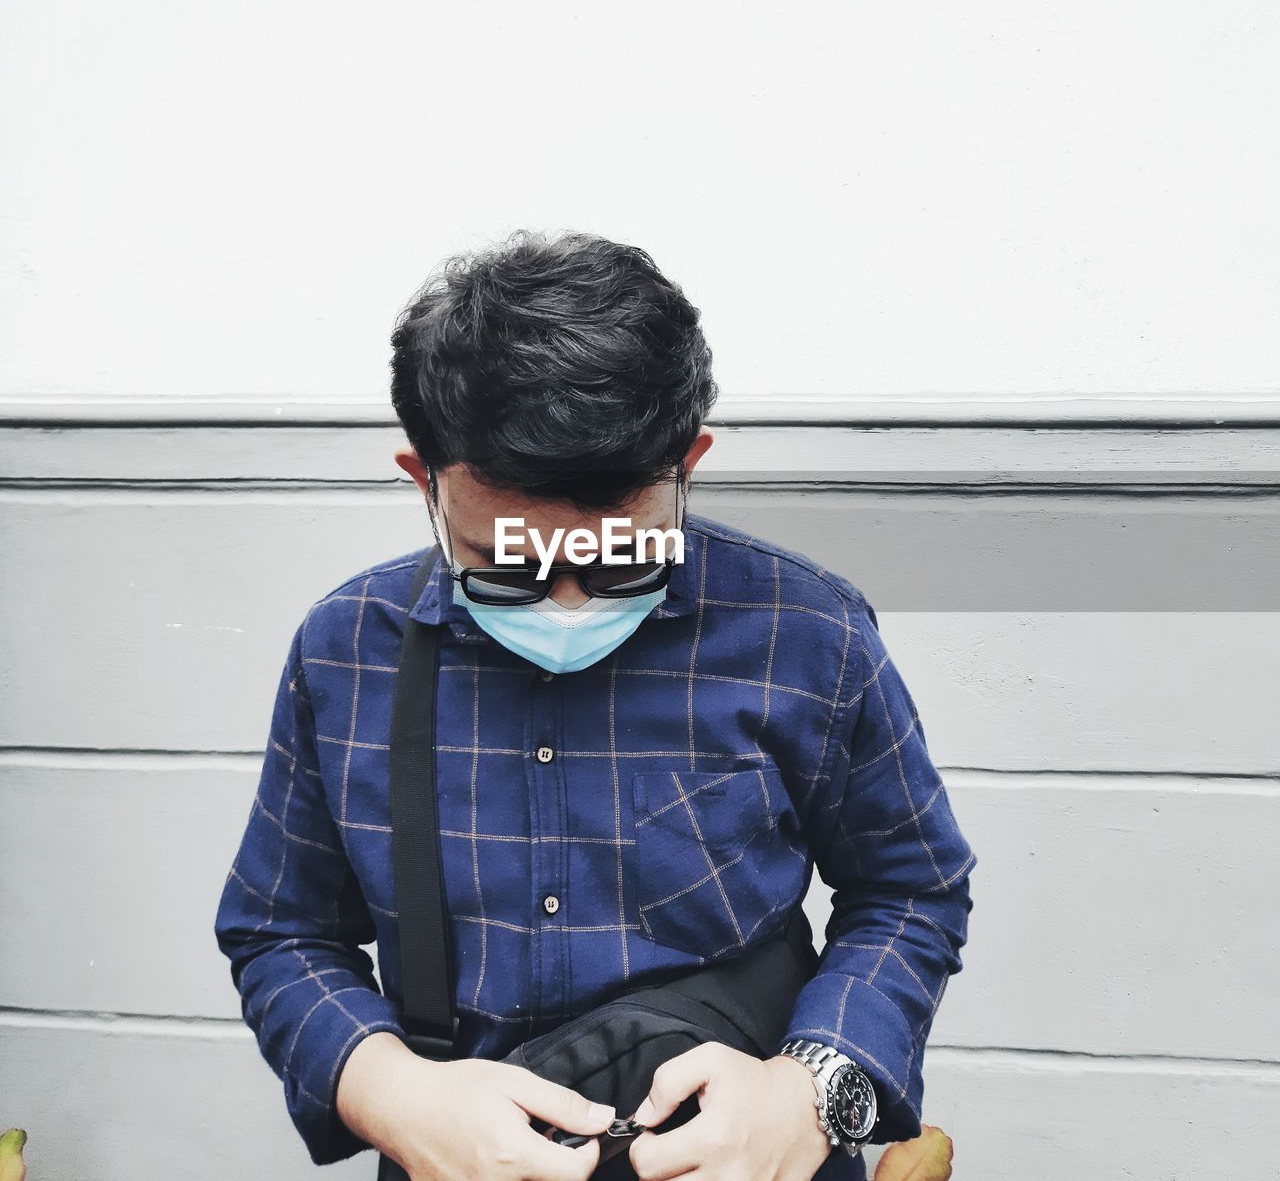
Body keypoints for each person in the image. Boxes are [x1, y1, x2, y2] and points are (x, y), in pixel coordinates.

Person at [213, 229, 977, 1181]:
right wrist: (392, 1094)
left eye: (622, 555)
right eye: (511, 566)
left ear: (686, 463)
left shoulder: (804, 631)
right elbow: (280, 931)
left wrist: (816, 1090)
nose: (569, 599)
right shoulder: (346, 650)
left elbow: (911, 890)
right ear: (426, 482)